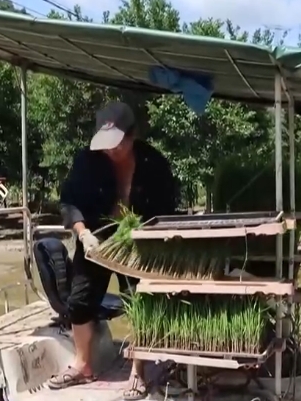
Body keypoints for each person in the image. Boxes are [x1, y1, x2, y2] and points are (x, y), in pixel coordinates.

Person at [47, 101, 180, 400]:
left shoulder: (154, 164)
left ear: (132, 137)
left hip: (139, 242)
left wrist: (151, 239)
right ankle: (82, 365)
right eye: (105, 144)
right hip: (97, 238)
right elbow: (69, 201)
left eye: (117, 144)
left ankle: (138, 371)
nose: (111, 150)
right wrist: (83, 234)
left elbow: (166, 209)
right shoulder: (87, 161)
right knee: (79, 301)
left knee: (139, 303)